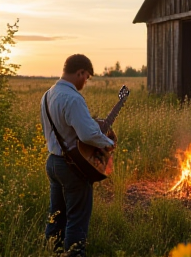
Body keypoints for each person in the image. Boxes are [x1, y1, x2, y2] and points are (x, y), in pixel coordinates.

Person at [40, 54, 115, 257]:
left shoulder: (47, 95)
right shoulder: (73, 98)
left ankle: (51, 252)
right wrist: (109, 144)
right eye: (87, 77)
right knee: (77, 219)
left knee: (56, 216)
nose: (86, 82)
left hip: (53, 163)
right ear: (80, 72)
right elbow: (88, 134)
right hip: (72, 168)